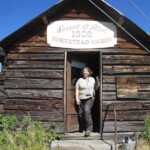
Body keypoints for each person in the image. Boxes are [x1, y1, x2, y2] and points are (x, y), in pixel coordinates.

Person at [75, 67, 99, 137]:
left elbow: (96, 87)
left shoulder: (92, 79)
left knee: (86, 111)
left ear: (89, 72)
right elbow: (77, 90)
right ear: (82, 73)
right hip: (81, 99)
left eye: (86, 71)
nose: (85, 72)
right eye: (84, 71)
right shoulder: (80, 80)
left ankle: (89, 129)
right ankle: (83, 127)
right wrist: (77, 98)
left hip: (89, 98)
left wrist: (98, 82)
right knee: (80, 114)